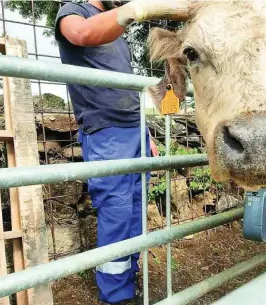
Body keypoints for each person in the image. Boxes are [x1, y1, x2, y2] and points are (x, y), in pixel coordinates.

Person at [54, 1, 159, 304]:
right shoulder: (73, 11)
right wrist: (133, 10)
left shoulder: (117, 31)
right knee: (117, 213)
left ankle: (128, 280)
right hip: (105, 131)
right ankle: (115, 297)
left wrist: (146, 132)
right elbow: (82, 34)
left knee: (136, 214)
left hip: (135, 130)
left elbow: (126, 87)